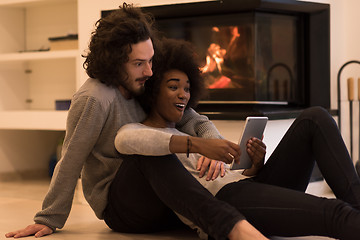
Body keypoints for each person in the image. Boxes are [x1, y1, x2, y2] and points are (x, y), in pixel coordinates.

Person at [5, 4, 253, 240]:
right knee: (146, 151)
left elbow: (195, 120)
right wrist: (48, 218)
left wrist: (213, 144)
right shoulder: (94, 99)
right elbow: (70, 159)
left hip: (161, 196)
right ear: (114, 62)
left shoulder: (142, 84)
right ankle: (227, 225)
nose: (149, 71)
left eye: (151, 61)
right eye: (138, 63)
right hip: (122, 206)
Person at [115, 37, 360, 240]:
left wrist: (254, 166)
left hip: (247, 187)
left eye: (187, 88)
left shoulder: (188, 129)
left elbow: (225, 173)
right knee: (334, 212)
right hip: (227, 202)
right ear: (153, 90)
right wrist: (200, 146)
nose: (183, 94)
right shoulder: (140, 136)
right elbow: (124, 140)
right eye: (173, 86)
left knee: (315, 117)